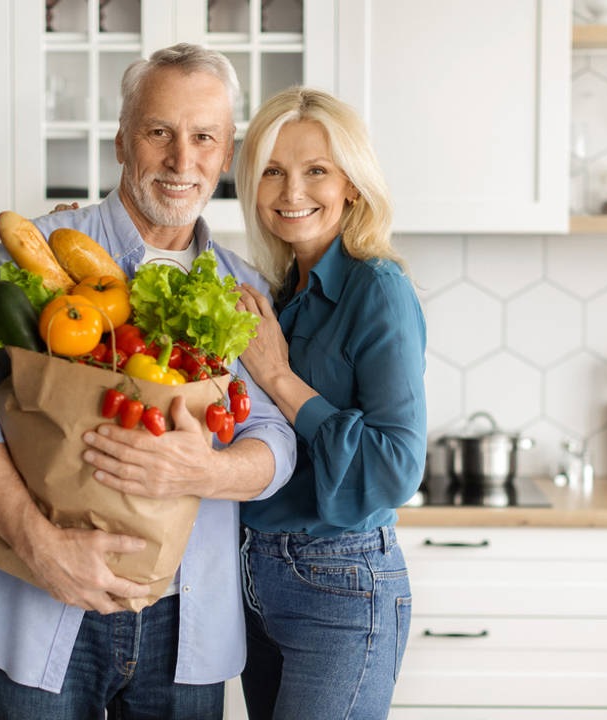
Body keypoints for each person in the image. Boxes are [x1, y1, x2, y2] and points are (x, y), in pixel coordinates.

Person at [0, 44, 296, 719]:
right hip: (39, 598)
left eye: (203, 137)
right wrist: (38, 542)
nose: (181, 160)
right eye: (158, 132)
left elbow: (274, 437)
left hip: (188, 620)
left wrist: (201, 473)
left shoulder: (245, 287)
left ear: (226, 154)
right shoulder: (47, 249)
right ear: (121, 140)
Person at [234, 88, 428, 718]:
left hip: (340, 581)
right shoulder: (279, 292)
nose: (292, 192)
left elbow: (398, 465)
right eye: (273, 171)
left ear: (351, 183)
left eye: (315, 170)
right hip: (254, 574)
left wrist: (280, 378)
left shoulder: (378, 287)